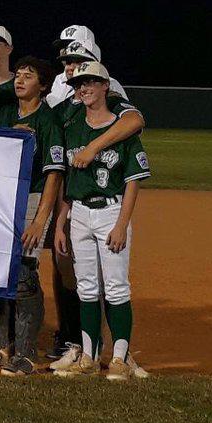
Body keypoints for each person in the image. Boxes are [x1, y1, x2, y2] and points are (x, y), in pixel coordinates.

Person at [45, 37, 145, 361]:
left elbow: (134, 124)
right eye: (67, 64)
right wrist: (60, 222)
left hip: (110, 209)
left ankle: (120, 357)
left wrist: (94, 147)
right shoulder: (66, 109)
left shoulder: (116, 106)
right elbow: (65, 171)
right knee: (80, 283)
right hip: (76, 211)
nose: (72, 69)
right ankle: (82, 351)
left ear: (104, 84)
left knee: (115, 287)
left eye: (79, 63)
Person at [0, 56, 64, 376]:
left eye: (29, 76)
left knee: (25, 275)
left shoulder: (48, 119)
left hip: (32, 200)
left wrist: (41, 220)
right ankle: (3, 346)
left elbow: (54, 174)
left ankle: (26, 352)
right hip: (2, 200)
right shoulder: (8, 112)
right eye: (20, 75)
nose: (21, 79)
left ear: (43, 85)